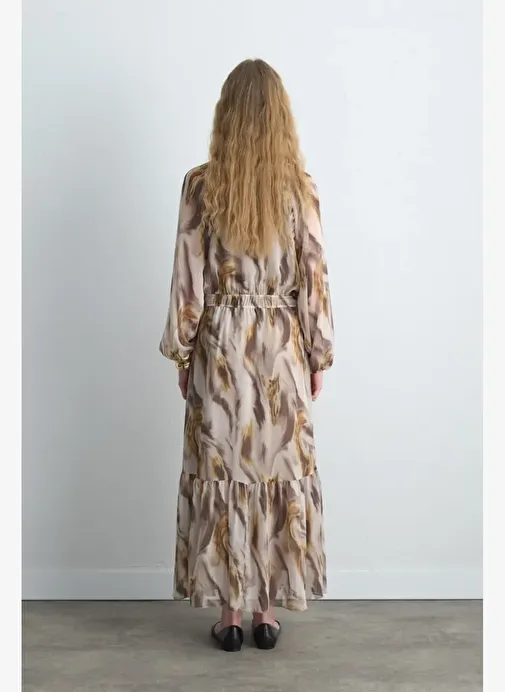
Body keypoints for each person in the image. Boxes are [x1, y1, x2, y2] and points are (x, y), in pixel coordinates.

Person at [160, 58, 334, 652]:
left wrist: (184, 353)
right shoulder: (299, 189)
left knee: (224, 473)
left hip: (222, 350)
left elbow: (187, 283)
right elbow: (315, 280)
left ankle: (229, 616)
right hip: (281, 349)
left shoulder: (201, 185)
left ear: (226, 115)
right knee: (273, 472)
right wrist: (317, 355)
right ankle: (266, 613)